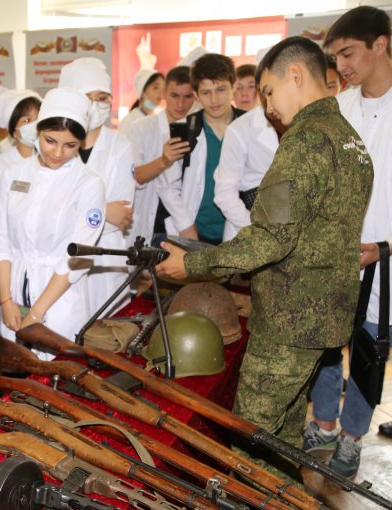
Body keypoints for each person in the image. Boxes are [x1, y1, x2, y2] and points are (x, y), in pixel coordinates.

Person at [156, 37, 373, 479]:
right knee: (283, 437)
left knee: (249, 435)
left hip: (290, 316)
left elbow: (269, 239)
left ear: (295, 75)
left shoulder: (304, 144)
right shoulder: (348, 138)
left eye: (269, 91)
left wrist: (192, 265)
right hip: (322, 313)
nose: (268, 106)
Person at [305, 5, 392, 478]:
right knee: (325, 341)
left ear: (381, 44)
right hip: (334, 251)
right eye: (336, 57)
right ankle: (322, 423)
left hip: (385, 256)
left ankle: (352, 438)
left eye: (349, 53)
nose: (342, 67)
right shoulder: (340, 107)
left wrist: (387, 246)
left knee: (368, 349)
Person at [0, 87, 106, 344]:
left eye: (70, 145)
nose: (57, 153)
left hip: (59, 300)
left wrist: (37, 312)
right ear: (37, 132)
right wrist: (6, 300)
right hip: (13, 293)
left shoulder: (89, 183)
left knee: (54, 373)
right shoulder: (14, 173)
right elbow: (2, 242)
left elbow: (77, 258)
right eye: (50, 141)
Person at [59, 58, 135, 315]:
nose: (96, 105)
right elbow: (50, 211)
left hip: (106, 260)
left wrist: (71, 205)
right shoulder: (55, 146)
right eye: (88, 98)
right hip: (62, 257)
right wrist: (103, 208)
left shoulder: (120, 145)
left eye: (103, 98)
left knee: (107, 337)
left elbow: (121, 214)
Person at [157, 53, 244, 244]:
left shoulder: (250, 126)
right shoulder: (185, 129)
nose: (214, 99)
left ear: (233, 86)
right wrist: (186, 226)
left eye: (221, 89)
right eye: (206, 92)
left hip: (243, 228)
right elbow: (167, 185)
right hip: (196, 230)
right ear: (196, 95)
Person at [127, 66, 195, 247]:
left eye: (187, 97)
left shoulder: (199, 131)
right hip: (150, 224)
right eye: (174, 96)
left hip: (186, 224)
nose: (180, 104)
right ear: (165, 93)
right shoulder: (141, 128)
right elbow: (136, 176)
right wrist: (164, 161)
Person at [213, 98, 279, 241]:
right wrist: (255, 231)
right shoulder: (240, 128)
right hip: (248, 229)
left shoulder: (306, 121)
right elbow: (225, 194)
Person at [0, 89, 42, 166]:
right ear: (14, 132)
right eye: (27, 120)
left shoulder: (47, 160)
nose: (35, 124)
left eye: (38, 117)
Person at [118, 69, 164, 135]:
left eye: (163, 88)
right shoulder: (130, 122)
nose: (161, 93)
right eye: (156, 88)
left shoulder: (159, 120)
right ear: (142, 92)